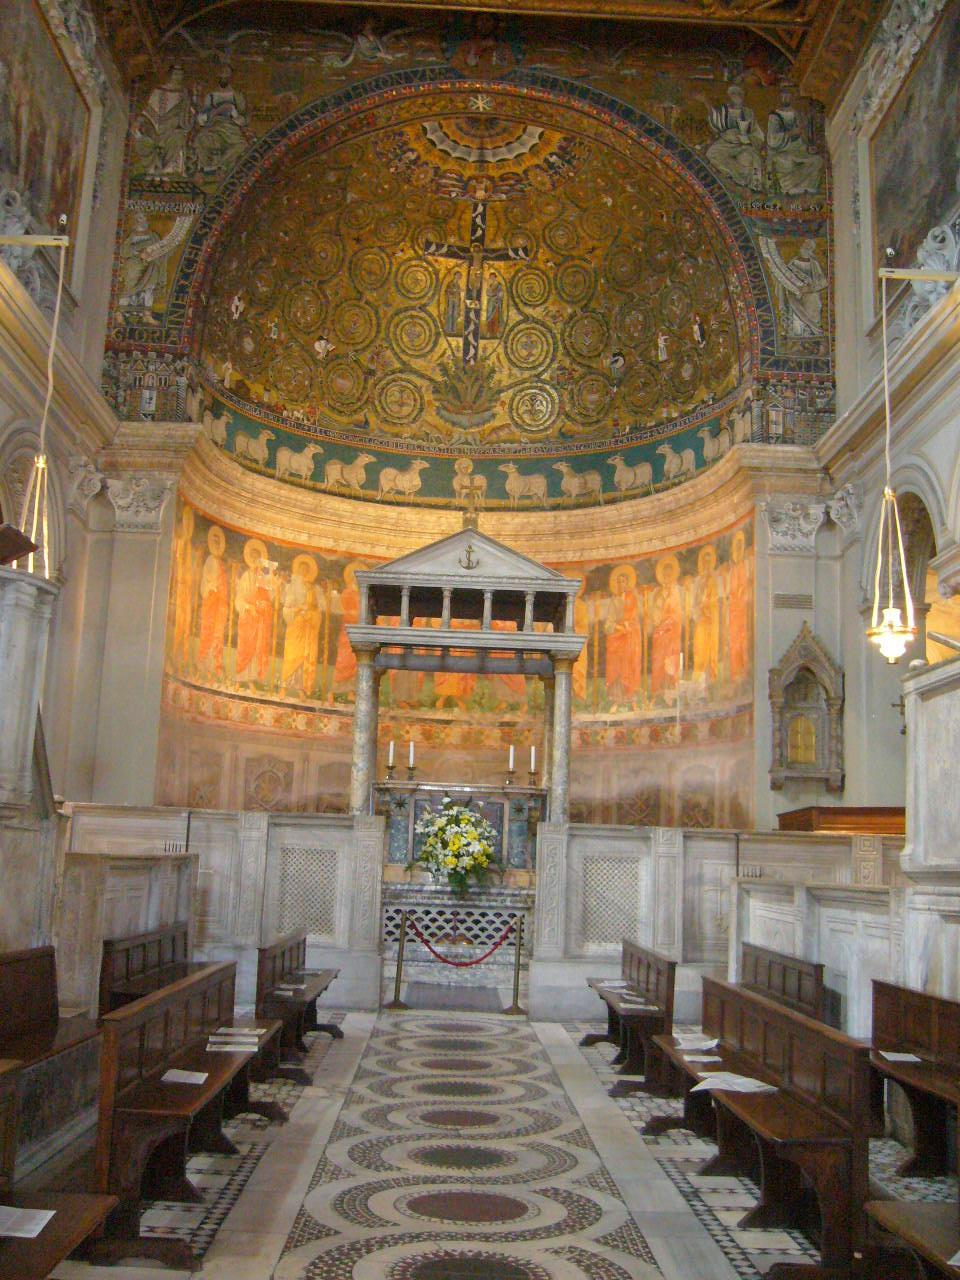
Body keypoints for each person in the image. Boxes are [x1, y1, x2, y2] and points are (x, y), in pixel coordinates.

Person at [135, 66, 193, 176]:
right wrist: (145, 123)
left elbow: (188, 114)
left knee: (178, 137)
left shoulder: (184, 94)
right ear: (170, 75)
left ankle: (169, 169)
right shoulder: (158, 91)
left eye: (180, 74)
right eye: (176, 74)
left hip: (174, 129)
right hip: (156, 127)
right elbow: (148, 112)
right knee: (146, 141)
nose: (178, 77)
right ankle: (155, 167)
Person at [705, 83, 763, 192]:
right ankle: (730, 178)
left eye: (740, 93)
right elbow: (716, 124)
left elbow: (757, 134)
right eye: (734, 93)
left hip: (743, 144)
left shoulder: (748, 113)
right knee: (711, 154)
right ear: (730, 95)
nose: (737, 96)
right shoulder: (723, 110)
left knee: (749, 159)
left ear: (743, 95)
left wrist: (748, 138)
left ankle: (749, 186)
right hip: (725, 142)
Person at [766, 83, 823, 195]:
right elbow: (772, 140)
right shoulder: (775, 116)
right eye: (783, 95)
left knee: (817, 160)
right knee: (787, 162)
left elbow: (802, 136)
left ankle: (806, 186)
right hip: (782, 150)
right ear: (780, 97)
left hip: (798, 149)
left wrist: (808, 147)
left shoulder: (797, 114)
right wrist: (791, 133)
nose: (786, 97)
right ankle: (788, 185)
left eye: (788, 95)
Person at [193, 65, 250, 175]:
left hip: (231, 130)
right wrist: (217, 111)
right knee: (203, 139)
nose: (224, 77)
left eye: (226, 74)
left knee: (241, 146)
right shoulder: (211, 96)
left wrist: (233, 112)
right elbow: (203, 117)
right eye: (221, 74)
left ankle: (222, 166)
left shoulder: (237, 96)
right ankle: (206, 169)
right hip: (214, 127)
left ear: (231, 77)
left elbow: (243, 117)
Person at [235, 539, 276, 687]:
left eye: (257, 557)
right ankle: (240, 678)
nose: (254, 560)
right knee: (244, 647)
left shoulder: (263, 578)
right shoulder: (245, 577)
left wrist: (265, 602)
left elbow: (269, 598)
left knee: (256, 648)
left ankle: (251, 679)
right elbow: (239, 598)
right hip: (247, 617)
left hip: (259, 619)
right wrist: (248, 607)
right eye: (252, 557)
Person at [281, 554, 323, 696]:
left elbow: (317, 610)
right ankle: (284, 686)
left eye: (306, 570)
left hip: (307, 628)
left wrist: (311, 615)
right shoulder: (292, 588)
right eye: (302, 569)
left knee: (304, 657)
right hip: (295, 626)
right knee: (292, 655)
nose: (304, 572)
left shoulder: (313, 589)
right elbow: (286, 609)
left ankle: (300, 688)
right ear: (298, 571)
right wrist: (298, 610)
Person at [605, 565, 643, 704]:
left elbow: (635, 620)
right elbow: (608, 624)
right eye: (618, 582)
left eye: (623, 581)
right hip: (617, 638)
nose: (621, 584)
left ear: (627, 583)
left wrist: (629, 627)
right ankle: (617, 697)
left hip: (630, 638)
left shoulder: (633, 600)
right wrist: (618, 627)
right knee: (616, 665)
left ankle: (630, 695)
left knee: (629, 664)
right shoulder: (613, 601)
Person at [197, 525, 229, 678]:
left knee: (218, 634)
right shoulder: (209, 561)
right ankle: (204, 664)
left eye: (218, 543)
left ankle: (216, 665)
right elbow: (206, 580)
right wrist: (212, 587)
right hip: (210, 601)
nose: (216, 545)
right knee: (208, 631)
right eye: (214, 542)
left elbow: (225, 586)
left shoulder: (222, 564)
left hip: (220, 604)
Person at [650, 554, 683, 695]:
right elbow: (654, 612)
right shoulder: (658, 593)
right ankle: (659, 688)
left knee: (671, 659)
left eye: (669, 574)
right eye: (665, 574)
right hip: (660, 633)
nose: (667, 577)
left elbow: (678, 613)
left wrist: (669, 621)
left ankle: (671, 687)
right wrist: (658, 621)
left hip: (672, 632)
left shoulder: (676, 592)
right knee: (658, 659)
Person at [692, 544, 720, 683]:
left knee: (712, 646)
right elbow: (694, 601)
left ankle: (712, 677)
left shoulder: (716, 578)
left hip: (713, 617)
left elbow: (718, 597)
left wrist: (709, 604)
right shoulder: (698, 581)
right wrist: (699, 610)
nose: (707, 564)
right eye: (705, 561)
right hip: (701, 618)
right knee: (699, 647)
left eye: (709, 561)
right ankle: (699, 678)